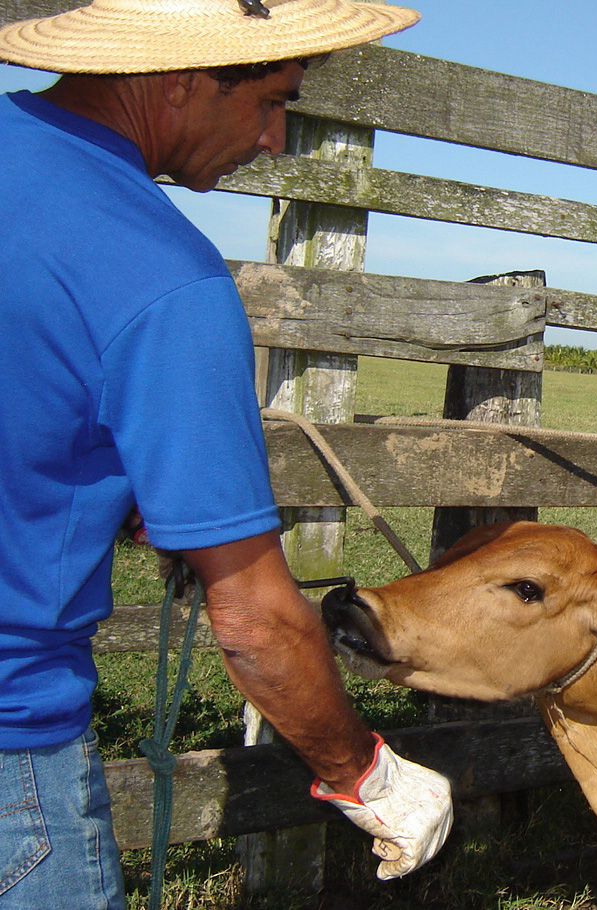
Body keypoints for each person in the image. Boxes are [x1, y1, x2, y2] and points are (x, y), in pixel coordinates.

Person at [0, 1, 453, 907]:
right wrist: (364, 773)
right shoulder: (163, 276)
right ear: (178, 80)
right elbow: (251, 616)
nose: (276, 139)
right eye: (271, 101)